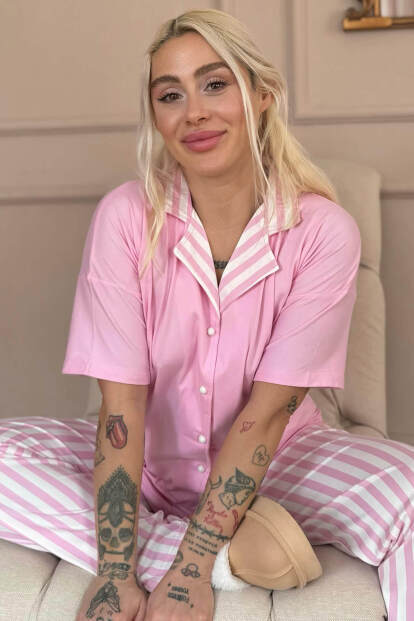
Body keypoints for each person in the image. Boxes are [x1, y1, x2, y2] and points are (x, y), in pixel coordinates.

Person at [0, 8, 412, 621]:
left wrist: (193, 569)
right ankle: (229, 553)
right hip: (145, 464)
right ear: (156, 116)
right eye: (170, 95)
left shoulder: (324, 232)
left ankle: (206, 550)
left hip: (281, 465)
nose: (193, 112)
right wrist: (115, 573)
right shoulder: (125, 217)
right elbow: (122, 405)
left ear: (261, 95)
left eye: (215, 84)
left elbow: (268, 414)